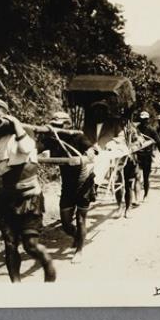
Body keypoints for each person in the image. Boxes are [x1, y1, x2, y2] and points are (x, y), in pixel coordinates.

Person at [0, 99, 56, 282]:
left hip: (29, 197)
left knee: (30, 245)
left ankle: (47, 263)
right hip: (7, 199)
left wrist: (15, 123)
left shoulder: (24, 133)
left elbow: (26, 148)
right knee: (10, 244)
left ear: (7, 115)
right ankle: (15, 284)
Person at [37, 111, 96, 263]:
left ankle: (79, 250)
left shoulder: (78, 136)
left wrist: (87, 155)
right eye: (53, 125)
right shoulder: (52, 139)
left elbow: (91, 151)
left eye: (58, 125)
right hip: (67, 184)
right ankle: (78, 236)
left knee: (81, 219)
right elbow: (35, 149)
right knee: (65, 224)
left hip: (84, 182)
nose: (55, 128)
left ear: (67, 125)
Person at [135, 111, 160, 200]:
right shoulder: (136, 129)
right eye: (142, 119)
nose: (143, 121)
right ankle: (137, 197)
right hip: (137, 155)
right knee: (136, 176)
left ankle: (146, 194)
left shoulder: (151, 130)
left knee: (146, 177)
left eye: (145, 119)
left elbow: (159, 142)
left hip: (147, 155)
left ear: (148, 120)